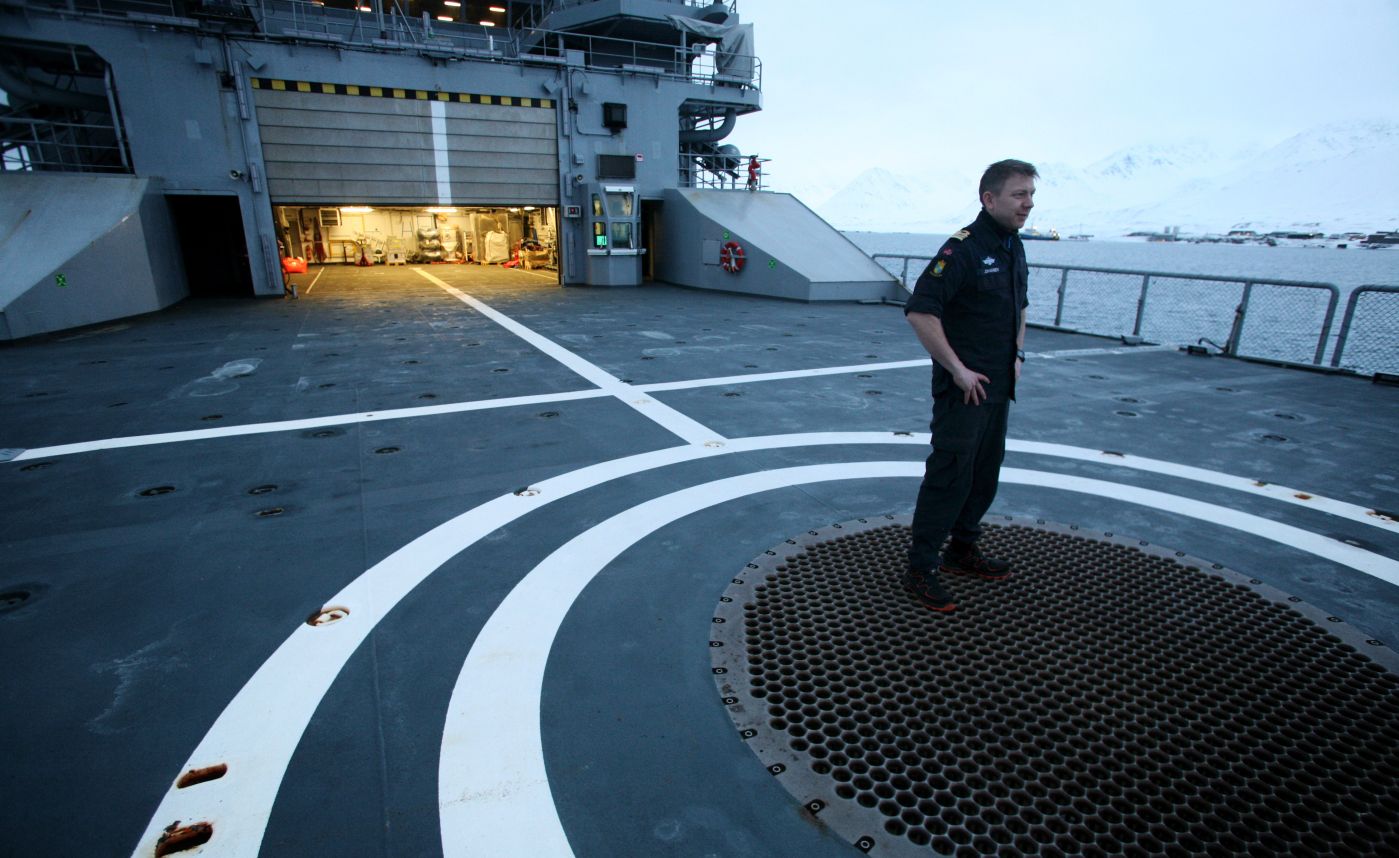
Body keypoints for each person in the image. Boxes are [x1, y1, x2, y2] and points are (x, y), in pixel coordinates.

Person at [902, 159, 1036, 612]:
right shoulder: (962, 250)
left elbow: (1020, 306)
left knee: (983, 473)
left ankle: (962, 548)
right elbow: (921, 311)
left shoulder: (1013, 245)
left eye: (1031, 195)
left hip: (998, 387)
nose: (1028, 204)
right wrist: (957, 369)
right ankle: (920, 568)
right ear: (989, 199)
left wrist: (1017, 354)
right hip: (964, 390)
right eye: (1019, 194)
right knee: (950, 476)